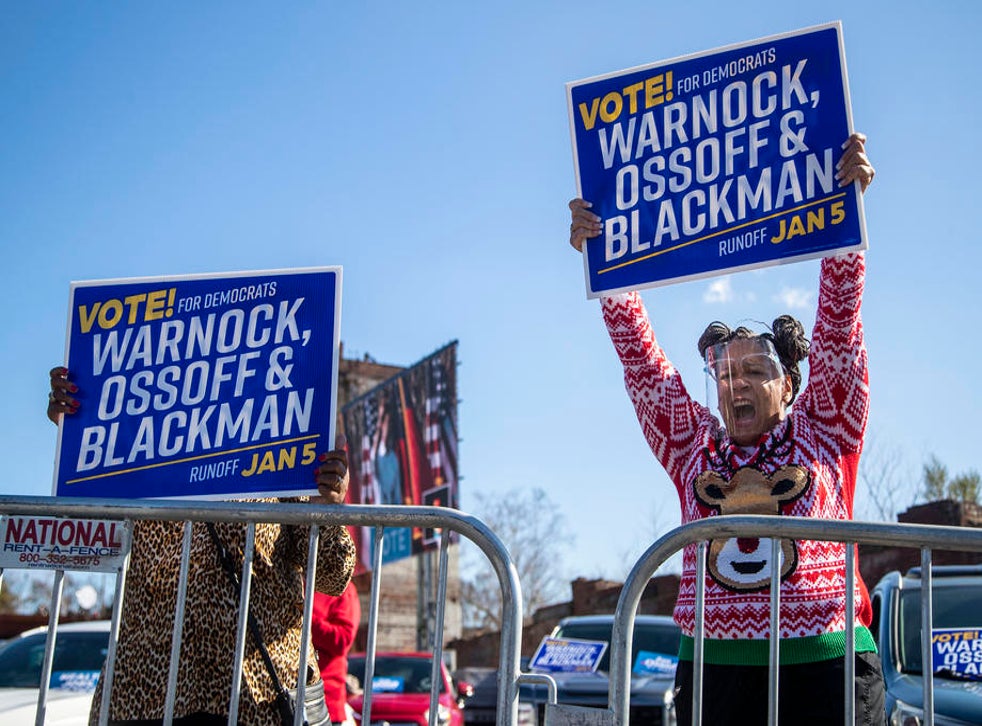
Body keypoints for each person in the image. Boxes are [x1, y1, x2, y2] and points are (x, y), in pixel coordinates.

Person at [568, 133, 885, 725]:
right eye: (723, 371)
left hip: (827, 671)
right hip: (716, 675)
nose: (735, 384)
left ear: (789, 384)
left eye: (756, 371)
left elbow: (840, 323)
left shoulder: (826, 426)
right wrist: (604, 258)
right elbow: (641, 360)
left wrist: (848, 210)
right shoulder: (693, 447)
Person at [47, 367, 356, 726]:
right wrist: (83, 422)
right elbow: (87, 533)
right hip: (146, 691)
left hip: (256, 695)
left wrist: (326, 506)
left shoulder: (278, 447)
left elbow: (334, 577)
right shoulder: (138, 445)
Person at [311, 580, 361, 726]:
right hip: (283, 695)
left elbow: (342, 639)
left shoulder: (341, 588)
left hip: (323, 701)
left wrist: (305, 618)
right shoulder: (287, 577)